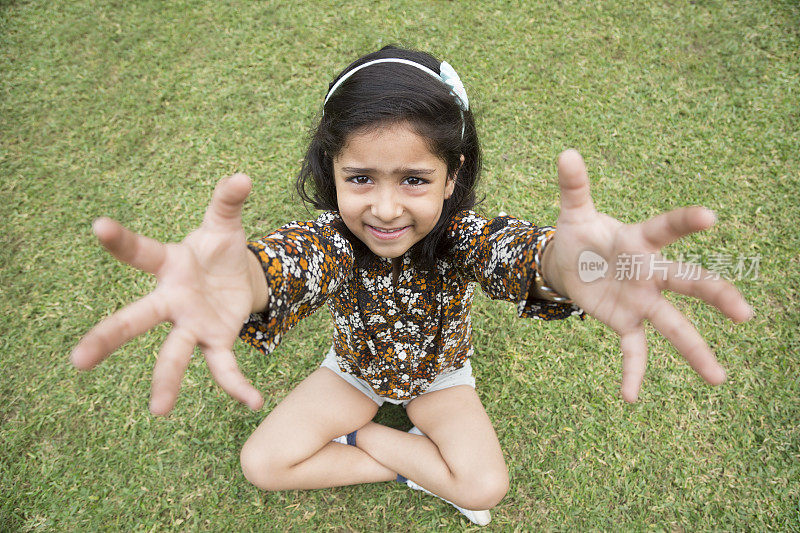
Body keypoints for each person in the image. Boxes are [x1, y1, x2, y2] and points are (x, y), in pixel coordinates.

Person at [70, 46, 753, 526]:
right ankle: (405, 465)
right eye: (361, 178)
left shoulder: (461, 234)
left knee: (487, 484)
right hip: (353, 373)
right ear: (332, 172)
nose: (387, 208)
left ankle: (370, 445)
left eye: (415, 180)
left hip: (440, 377)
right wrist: (240, 280)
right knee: (261, 463)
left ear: (452, 177)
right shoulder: (330, 239)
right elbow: (285, 264)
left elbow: (515, 254)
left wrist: (570, 269)